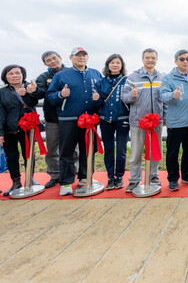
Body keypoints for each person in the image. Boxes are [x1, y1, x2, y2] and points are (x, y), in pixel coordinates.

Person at [46, 47, 102, 196]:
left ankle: (84, 177)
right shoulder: (61, 75)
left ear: (88, 57)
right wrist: (60, 95)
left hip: (89, 120)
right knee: (66, 151)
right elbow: (50, 97)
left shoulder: (96, 74)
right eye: (77, 55)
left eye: (84, 55)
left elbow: (102, 95)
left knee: (88, 150)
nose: (81, 58)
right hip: (68, 119)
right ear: (70, 58)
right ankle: (66, 182)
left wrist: (98, 100)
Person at [121, 48, 165, 193]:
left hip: (156, 122)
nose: (150, 60)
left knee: (155, 151)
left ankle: (153, 176)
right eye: (147, 57)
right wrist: (132, 95)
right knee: (136, 152)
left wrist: (163, 117)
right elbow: (124, 98)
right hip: (138, 121)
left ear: (156, 60)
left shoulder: (161, 77)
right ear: (142, 59)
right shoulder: (133, 77)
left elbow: (163, 100)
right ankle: (134, 180)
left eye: (153, 58)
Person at [34, 51, 78, 188]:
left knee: (74, 148)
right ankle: (55, 174)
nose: (52, 61)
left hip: (71, 115)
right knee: (52, 148)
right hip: (52, 117)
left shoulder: (72, 72)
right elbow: (41, 93)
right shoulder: (43, 77)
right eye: (48, 60)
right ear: (45, 64)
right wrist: (33, 90)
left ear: (61, 58)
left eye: (54, 58)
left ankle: (73, 172)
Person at [160, 49, 188, 191]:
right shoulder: (168, 78)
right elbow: (163, 96)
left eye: (187, 59)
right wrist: (173, 94)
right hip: (176, 122)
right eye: (181, 59)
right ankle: (172, 179)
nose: (185, 61)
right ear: (176, 61)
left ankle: (187, 175)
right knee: (173, 152)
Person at [0, 65, 39, 196]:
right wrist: (0, 133)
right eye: (11, 73)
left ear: (23, 74)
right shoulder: (2, 92)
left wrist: (31, 93)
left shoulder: (31, 87)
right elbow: (0, 113)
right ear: (5, 77)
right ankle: (15, 182)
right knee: (11, 156)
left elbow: (34, 102)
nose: (15, 75)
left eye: (18, 73)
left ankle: (30, 178)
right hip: (9, 130)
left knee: (28, 155)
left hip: (28, 129)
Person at [95, 54, 129, 190]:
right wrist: (96, 99)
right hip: (105, 120)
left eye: (118, 63)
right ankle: (110, 177)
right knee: (108, 149)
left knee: (121, 150)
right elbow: (97, 103)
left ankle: (119, 176)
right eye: (112, 63)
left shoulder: (127, 80)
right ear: (108, 65)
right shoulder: (101, 82)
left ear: (122, 66)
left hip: (122, 119)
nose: (115, 65)